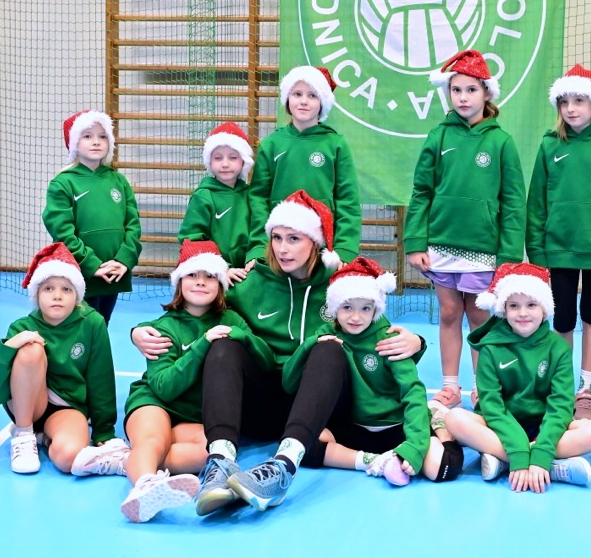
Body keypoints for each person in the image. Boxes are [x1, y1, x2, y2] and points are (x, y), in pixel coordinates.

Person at [170, 191, 424, 514]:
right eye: (276, 238)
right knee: (224, 344)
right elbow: (195, 311)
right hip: (263, 403)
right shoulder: (251, 282)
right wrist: (145, 332)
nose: (282, 248)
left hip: (319, 405)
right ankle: (220, 462)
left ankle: (283, 468)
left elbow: (374, 327)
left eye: (293, 238)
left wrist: (417, 342)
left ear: (315, 242)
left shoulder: (340, 284)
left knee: (328, 348)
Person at [405, 49, 526, 408]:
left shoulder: (501, 142)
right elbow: (422, 191)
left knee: (479, 316)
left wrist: (508, 255)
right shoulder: (438, 137)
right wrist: (415, 242)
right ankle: (450, 386)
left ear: (486, 93)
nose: (463, 97)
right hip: (441, 245)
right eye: (456, 90)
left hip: (484, 249)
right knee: (448, 313)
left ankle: (483, 387)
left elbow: (514, 202)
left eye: (471, 90)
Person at [120, 240, 272, 523]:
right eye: (192, 275)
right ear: (179, 282)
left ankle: (130, 459)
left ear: (220, 284)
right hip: (155, 403)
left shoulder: (231, 319)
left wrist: (240, 336)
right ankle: (144, 486)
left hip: (192, 416)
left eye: (210, 276)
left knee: (212, 452)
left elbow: (266, 360)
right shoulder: (164, 327)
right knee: (153, 438)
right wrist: (204, 343)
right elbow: (164, 387)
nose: (201, 282)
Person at [282, 256, 462, 486]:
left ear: (375, 308)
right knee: (300, 448)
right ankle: (374, 461)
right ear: (335, 306)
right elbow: (288, 382)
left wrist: (415, 446)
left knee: (445, 467)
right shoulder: (326, 334)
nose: (356, 317)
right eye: (347, 307)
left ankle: (436, 420)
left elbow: (413, 392)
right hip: (354, 429)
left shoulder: (390, 339)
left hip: (396, 426)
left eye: (365, 308)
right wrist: (310, 345)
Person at [526, 64, 591, 418]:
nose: (571, 109)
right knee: (562, 319)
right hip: (558, 250)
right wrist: (537, 253)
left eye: (579, 101)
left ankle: (586, 388)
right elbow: (536, 202)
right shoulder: (549, 145)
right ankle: (561, 385)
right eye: (564, 102)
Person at [444, 262, 591, 491]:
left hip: (544, 426)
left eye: (531, 304)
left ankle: (510, 460)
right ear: (504, 310)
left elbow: (560, 406)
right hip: (500, 426)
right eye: (514, 306)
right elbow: (492, 406)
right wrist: (519, 449)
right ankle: (547, 466)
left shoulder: (558, 348)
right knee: (455, 418)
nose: (523, 313)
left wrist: (542, 449)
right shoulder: (490, 348)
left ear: (544, 309)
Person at [0, 243, 123, 477]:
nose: (57, 296)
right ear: (36, 294)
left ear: (77, 295)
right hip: (27, 407)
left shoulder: (92, 323)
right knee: (31, 350)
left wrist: (103, 432)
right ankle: (24, 435)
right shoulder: (22, 327)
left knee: (69, 458)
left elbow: (101, 378)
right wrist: (9, 347)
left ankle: (44, 438)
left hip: (66, 408)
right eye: (48, 288)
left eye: (66, 289)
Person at [245, 66, 361, 267]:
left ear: (322, 102)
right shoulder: (271, 144)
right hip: (278, 250)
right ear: (287, 99)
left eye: (313, 95)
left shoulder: (335, 144)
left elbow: (347, 200)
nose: (304, 101)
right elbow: (258, 200)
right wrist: (258, 248)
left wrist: (344, 249)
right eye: (297, 94)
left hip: (324, 248)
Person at [42, 110, 141, 324]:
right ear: (74, 143)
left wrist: (124, 260)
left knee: (101, 325)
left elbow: (133, 225)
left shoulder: (118, 181)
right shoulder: (63, 183)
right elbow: (62, 232)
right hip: (81, 272)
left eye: (102, 136)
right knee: (78, 329)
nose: (96, 141)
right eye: (87, 136)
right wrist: (91, 263)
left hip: (113, 273)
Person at [178, 122, 256, 276]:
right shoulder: (203, 197)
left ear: (243, 161)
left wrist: (253, 258)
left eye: (233, 157)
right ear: (210, 161)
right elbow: (192, 240)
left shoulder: (249, 195)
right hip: (213, 274)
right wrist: (222, 269)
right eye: (218, 158)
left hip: (246, 272)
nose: (225, 164)